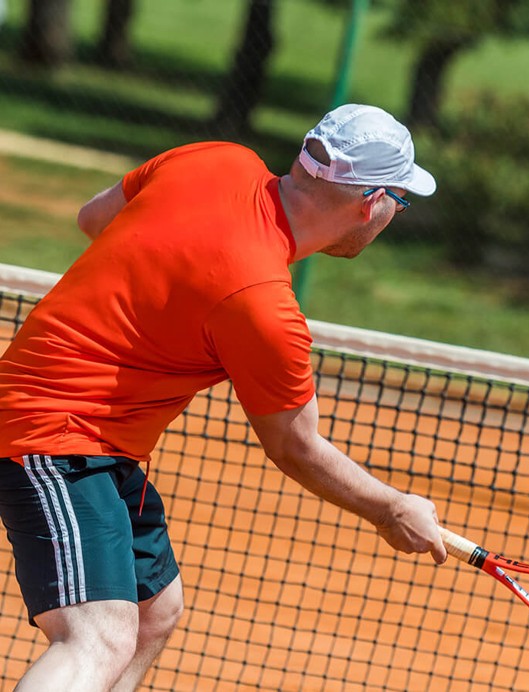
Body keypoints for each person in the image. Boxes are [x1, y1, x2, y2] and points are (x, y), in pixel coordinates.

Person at [0, 103, 446, 691]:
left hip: (103, 443)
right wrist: (391, 508)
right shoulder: (263, 305)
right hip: (52, 435)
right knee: (98, 636)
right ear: (371, 201)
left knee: (153, 612)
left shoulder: (215, 159)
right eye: (399, 200)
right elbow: (295, 446)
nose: (393, 213)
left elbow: (94, 218)